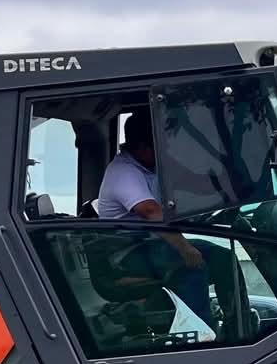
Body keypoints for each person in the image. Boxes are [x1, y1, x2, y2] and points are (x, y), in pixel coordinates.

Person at [95, 111, 232, 334]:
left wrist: (226, 189)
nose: (166, 152)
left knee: (224, 258)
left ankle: (236, 326)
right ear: (142, 147)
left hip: (154, 244)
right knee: (190, 265)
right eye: (161, 146)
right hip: (127, 253)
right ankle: (203, 336)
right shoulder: (123, 173)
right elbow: (151, 212)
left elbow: (193, 181)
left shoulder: (153, 163)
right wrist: (185, 247)